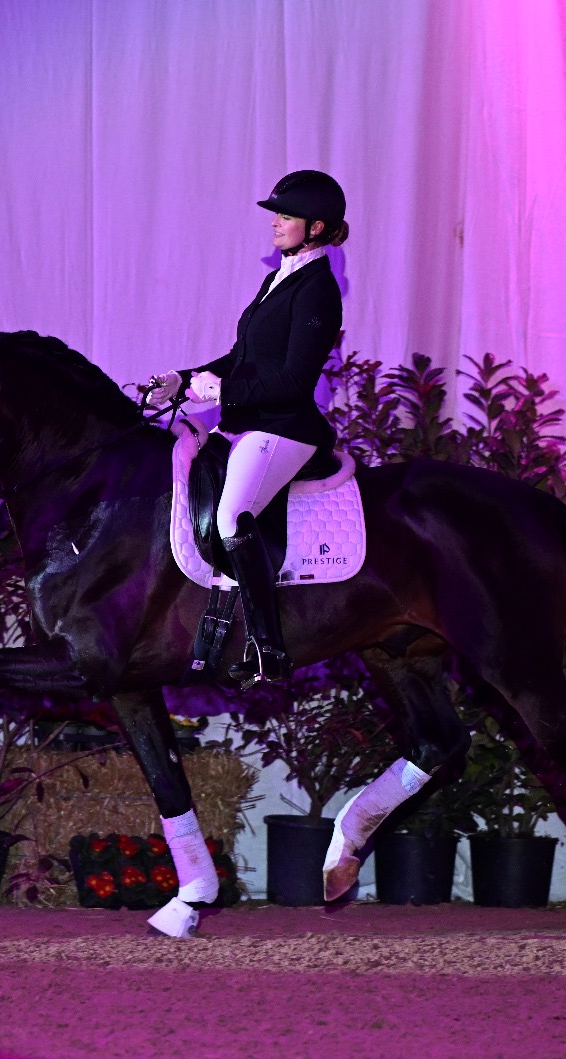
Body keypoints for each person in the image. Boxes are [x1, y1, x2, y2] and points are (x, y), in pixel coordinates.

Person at [151, 169, 348, 686]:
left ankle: (269, 649)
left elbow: (292, 380)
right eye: (277, 215)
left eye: (285, 216)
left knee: (232, 517)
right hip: (248, 422)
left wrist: (223, 393)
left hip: (285, 428)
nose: (276, 224)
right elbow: (242, 357)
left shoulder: (319, 290)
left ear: (317, 227)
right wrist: (186, 377)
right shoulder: (278, 277)